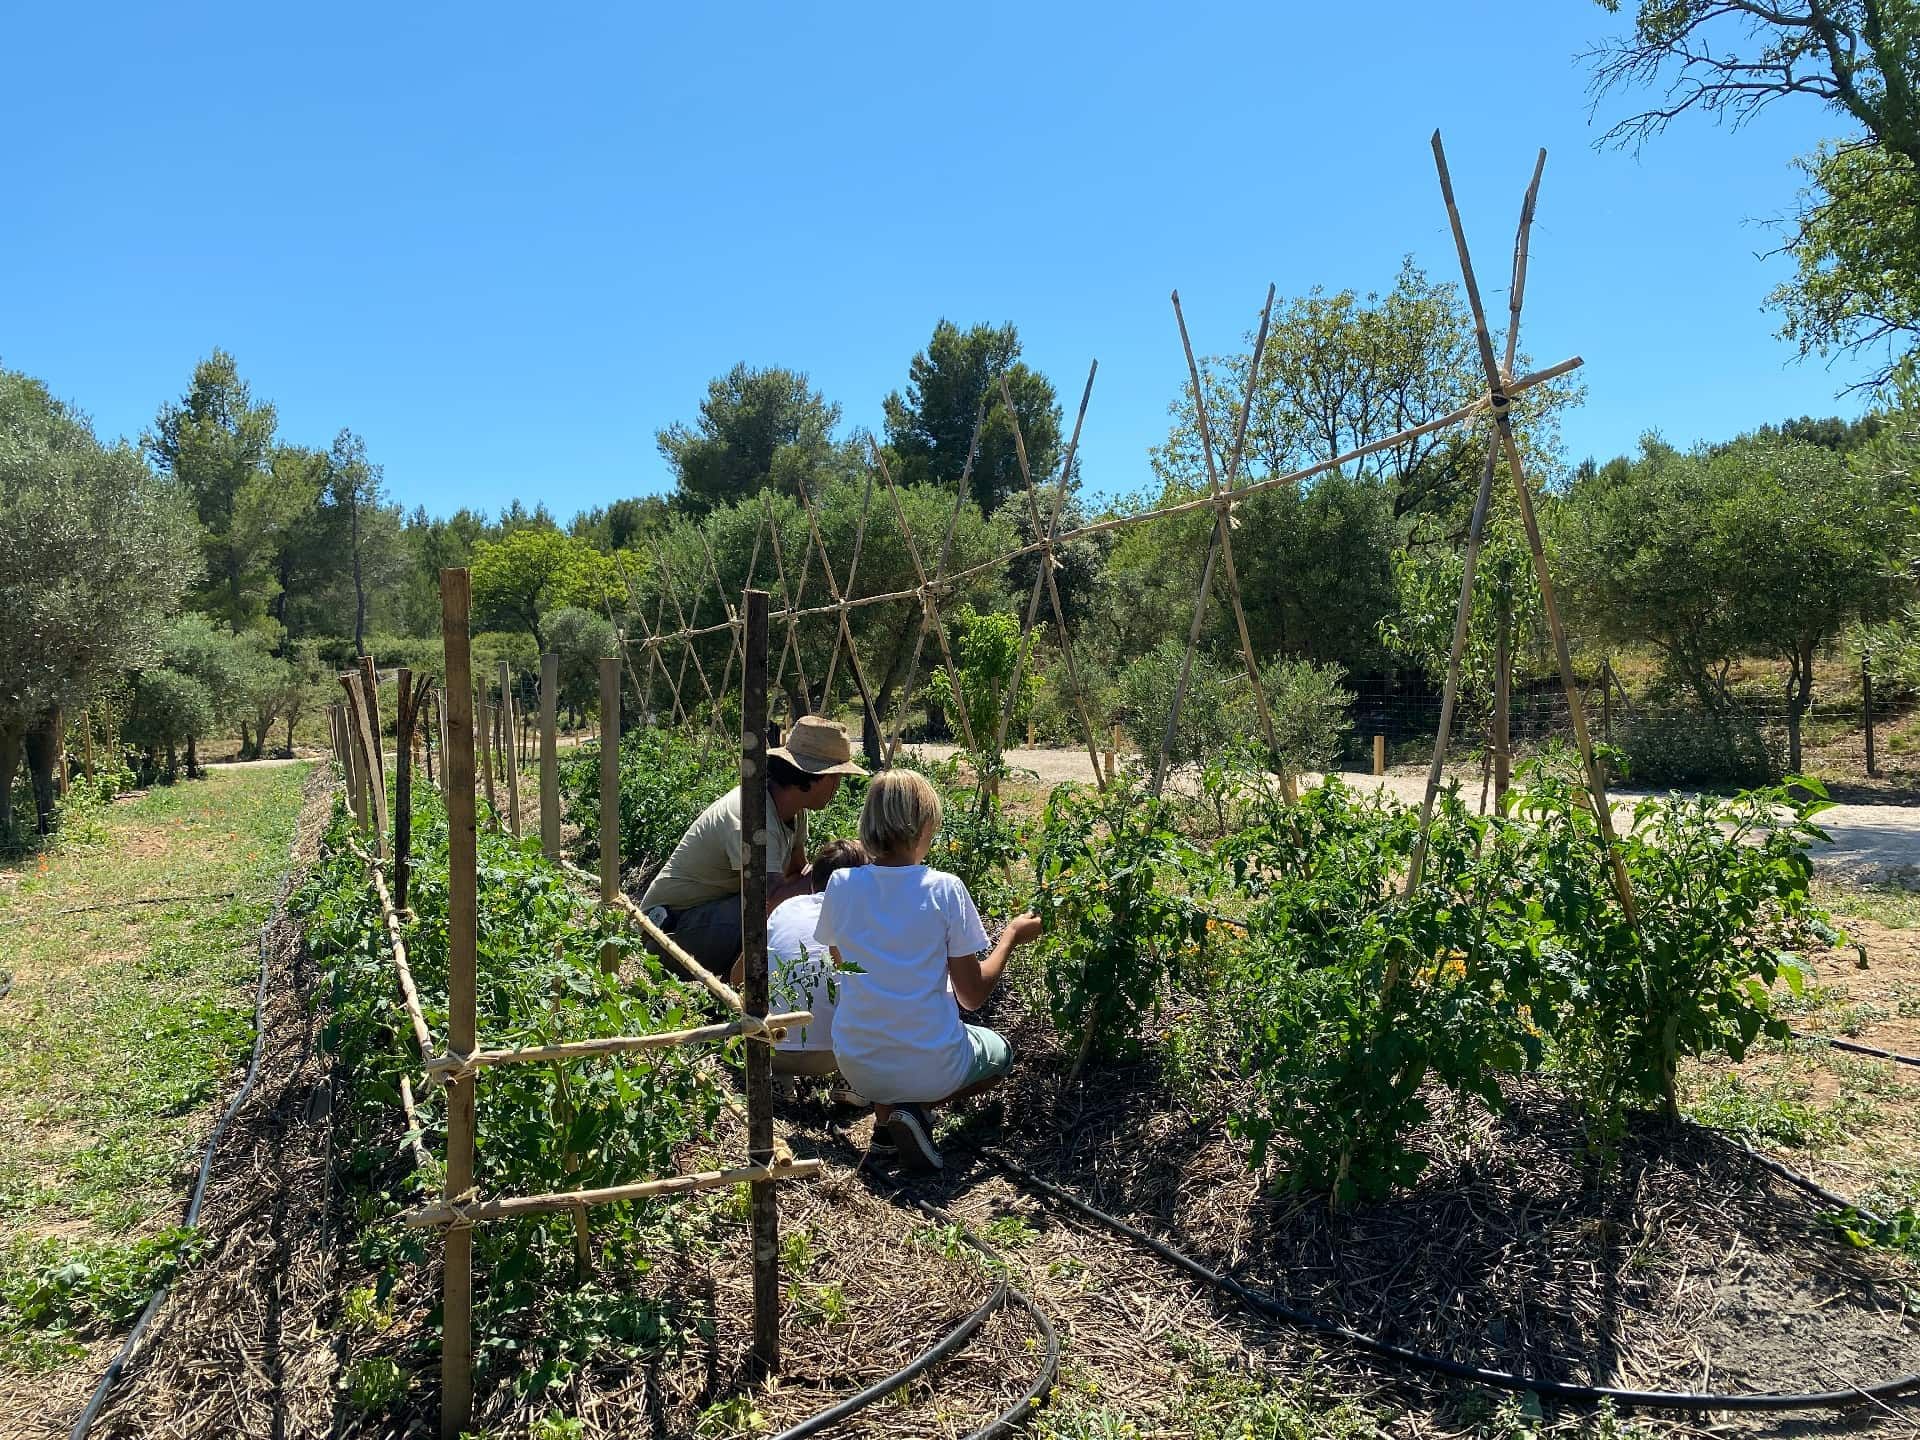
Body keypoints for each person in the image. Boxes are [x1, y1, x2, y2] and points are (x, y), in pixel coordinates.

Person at [815, 769, 1043, 1172]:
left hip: (856, 1063)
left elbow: (842, 963)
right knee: (1001, 1055)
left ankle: (886, 1123)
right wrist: (1010, 936)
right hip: (930, 1065)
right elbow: (971, 996)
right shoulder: (944, 888)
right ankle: (915, 1110)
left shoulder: (841, 883)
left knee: (890, 1047)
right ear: (923, 825)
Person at [640, 715, 865, 975]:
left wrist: (821, 873)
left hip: (707, 918)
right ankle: (743, 985)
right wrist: (837, 873)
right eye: (835, 776)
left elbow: (796, 874)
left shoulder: (793, 810)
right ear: (814, 776)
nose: (838, 785)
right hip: (669, 932)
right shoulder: (752, 815)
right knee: (759, 913)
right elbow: (769, 903)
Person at [762, 838, 868, 1079]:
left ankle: (782, 1081)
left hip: (771, 1050)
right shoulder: (863, 919)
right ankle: (850, 1082)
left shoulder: (786, 908)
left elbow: (740, 975)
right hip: (837, 1054)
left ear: (812, 883)